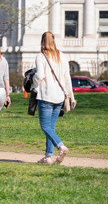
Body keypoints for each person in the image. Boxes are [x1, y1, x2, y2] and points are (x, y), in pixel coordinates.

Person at [32, 31, 76, 164]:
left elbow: (39, 75)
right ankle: (48, 156)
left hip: (46, 95)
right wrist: (72, 97)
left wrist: (32, 82)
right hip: (60, 96)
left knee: (45, 127)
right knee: (51, 127)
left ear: (42, 41)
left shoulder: (41, 56)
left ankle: (61, 147)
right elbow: (67, 78)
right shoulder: (62, 56)